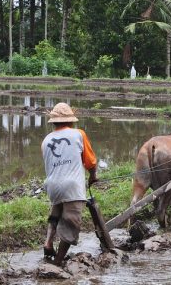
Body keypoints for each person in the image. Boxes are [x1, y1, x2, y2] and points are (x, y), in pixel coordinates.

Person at [41, 102, 98, 266]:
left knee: (56, 212)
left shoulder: (46, 140)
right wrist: (93, 176)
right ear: (71, 120)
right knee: (71, 223)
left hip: (52, 185)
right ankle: (58, 262)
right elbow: (91, 162)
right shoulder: (78, 134)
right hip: (72, 186)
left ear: (54, 122)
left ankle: (48, 242)